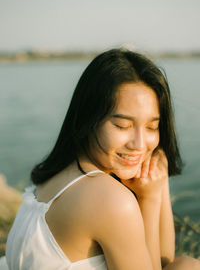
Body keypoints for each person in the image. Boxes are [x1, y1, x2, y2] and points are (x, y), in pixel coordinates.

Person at [5, 49, 200, 270]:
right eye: (122, 126)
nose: (139, 144)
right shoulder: (111, 200)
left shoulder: (57, 173)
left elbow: (165, 261)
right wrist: (151, 199)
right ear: (90, 119)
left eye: (152, 127)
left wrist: (159, 183)